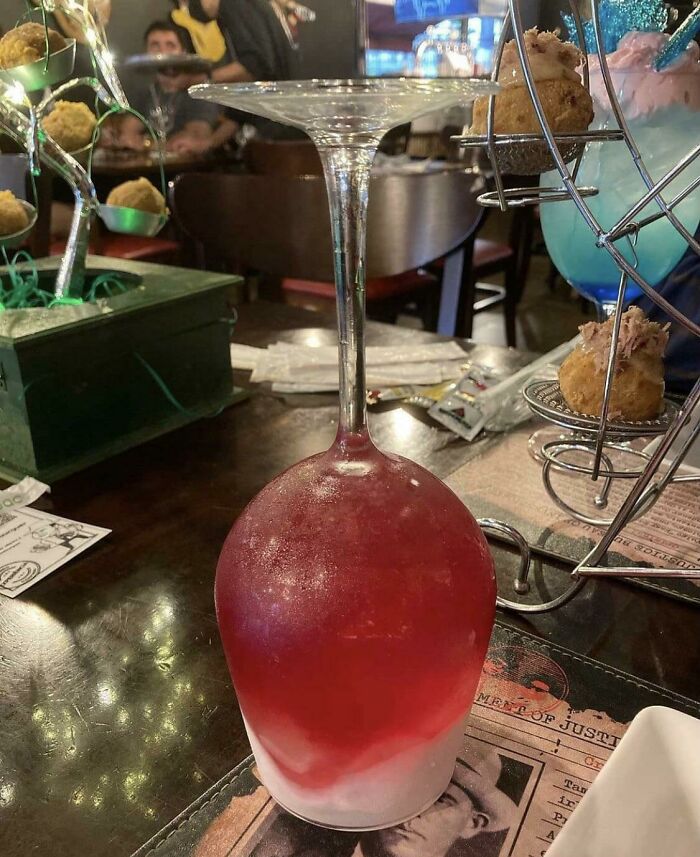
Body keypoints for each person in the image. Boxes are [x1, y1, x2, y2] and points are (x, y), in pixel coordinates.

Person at [118, 20, 221, 154]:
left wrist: (145, 144)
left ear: (183, 52)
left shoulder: (197, 92)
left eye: (170, 45)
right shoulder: (147, 92)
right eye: (155, 45)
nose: (163, 51)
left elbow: (193, 140)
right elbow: (127, 134)